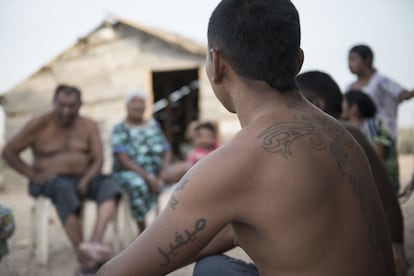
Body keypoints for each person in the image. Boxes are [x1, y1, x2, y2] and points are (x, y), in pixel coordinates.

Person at [97, 1, 395, 275]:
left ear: (216, 64)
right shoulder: (345, 135)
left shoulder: (234, 163)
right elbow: (239, 229)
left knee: (209, 271)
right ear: (298, 61)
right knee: (213, 266)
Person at [1, 84, 121, 274]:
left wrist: (86, 179)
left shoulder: (88, 125)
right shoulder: (39, 123)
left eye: (71, 106)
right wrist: (32, 175)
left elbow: (98, 158)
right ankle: (85, 258)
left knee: (110, 185)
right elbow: (8, 152)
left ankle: (94, 243)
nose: (66, 110)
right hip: (50, 181)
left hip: (84, 177)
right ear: (54, 103)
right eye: (61, 105)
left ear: (80, 105)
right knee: (63, 188)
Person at [297, 70, 407, 276]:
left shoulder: (346, 135)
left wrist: (396, 249)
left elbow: (388, 203)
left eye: (294, 104)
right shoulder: (346, 137)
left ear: (318, 104)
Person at [111, 89, 171, 234]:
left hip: (156, 171)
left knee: (190, 170)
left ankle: (175, 227)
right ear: (126, 106)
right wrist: (147, 177)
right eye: (133, 102)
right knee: (137, 184)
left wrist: (162, 174)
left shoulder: (153, 124)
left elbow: (166, 149)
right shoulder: (120, 128)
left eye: (141, 102)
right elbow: (123, 159)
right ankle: (143, 231)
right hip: (130, 172)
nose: (138, 106)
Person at [346, 44, 414, 141]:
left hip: (382, 136)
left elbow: (404, 95)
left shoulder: (380, 82)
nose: (349, 64)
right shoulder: (349, 87)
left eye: (353, 59)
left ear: (367, 60)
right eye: (348, 60)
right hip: (358, 138)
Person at [342, 90, 400, 194]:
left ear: (354, 108)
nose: (340, 105)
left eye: (343, 102)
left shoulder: (371, 125)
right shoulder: (357, 128)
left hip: (382, 185)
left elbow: (377, 160)